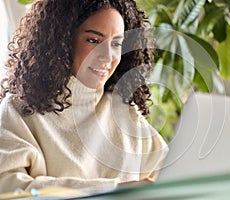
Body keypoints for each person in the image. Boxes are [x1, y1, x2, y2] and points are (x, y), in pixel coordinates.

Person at [0, 0, 168, 194]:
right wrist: (112, 190)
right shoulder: (18, 111)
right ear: (61, 41)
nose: (107, 56)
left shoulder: (125, 114)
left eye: (116, 44)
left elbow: (172, 178)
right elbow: (8, 187)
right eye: (93, 40)